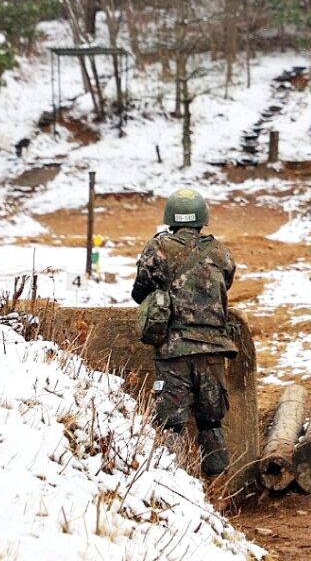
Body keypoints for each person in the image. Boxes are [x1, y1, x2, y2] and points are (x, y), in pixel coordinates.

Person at [131, 188, 237, 477]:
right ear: (203, 219)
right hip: (214, 350)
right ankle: (219, 492)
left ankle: (174, 485)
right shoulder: (221, 253)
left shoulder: (158, 248)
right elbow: (225, 283)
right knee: (211, 423)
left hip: (174, 351)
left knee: (172, 424)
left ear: (171, 219)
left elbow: (139, 292)